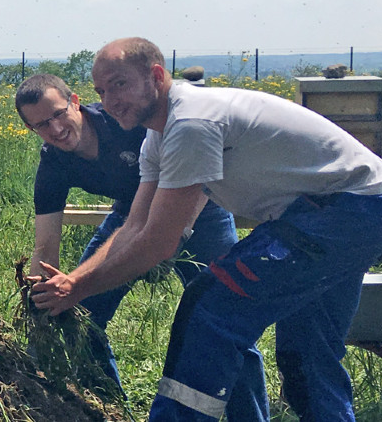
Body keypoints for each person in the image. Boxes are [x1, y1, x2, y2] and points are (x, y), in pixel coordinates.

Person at [31, 38, 382, 422]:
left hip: (345, 211)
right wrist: (74, 283)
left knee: (211, 309)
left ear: (156, 76)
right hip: (354, 209)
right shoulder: (157, 137)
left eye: (119, 84)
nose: (109, 100)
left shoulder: (190, 122)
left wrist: (79, 289)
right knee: (307, 350)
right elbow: (134, 225)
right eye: (102, 91)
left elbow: (159, 241)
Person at [13, 73, 256, 409]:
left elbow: (200, 163)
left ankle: (249, 415)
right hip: (131, 214)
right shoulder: (54, 162)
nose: (54, 130)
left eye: (57, 114)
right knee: (82, 309)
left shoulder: (124, 123)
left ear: (75, 102)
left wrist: (177, 231)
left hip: (200, 206)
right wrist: (42, 302)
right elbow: (46, 243)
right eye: (40, 125)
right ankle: (111, 409)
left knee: (226, 316)